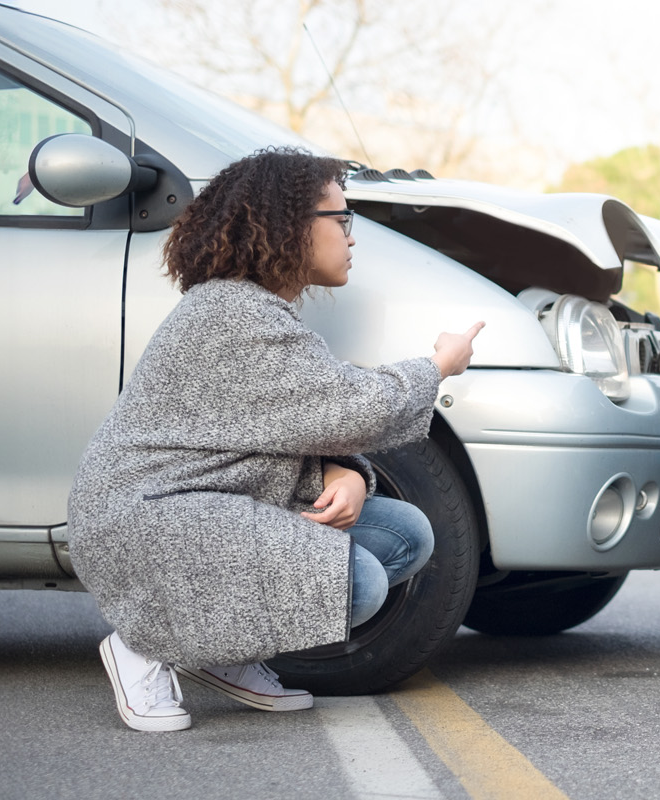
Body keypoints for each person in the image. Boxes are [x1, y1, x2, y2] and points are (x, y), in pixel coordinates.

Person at [66, 147, 482, 733]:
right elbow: (352, 409)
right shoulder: (233, 315)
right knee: (355, 582)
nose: (351, 235)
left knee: (404, 534)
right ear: (290, 226)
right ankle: (144, 641)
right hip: (145, 521)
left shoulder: (253, 309)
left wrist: (345, 473)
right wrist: (438, 365)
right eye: (340, 219)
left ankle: (222, 650)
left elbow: (289, 427)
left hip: (202, 506)